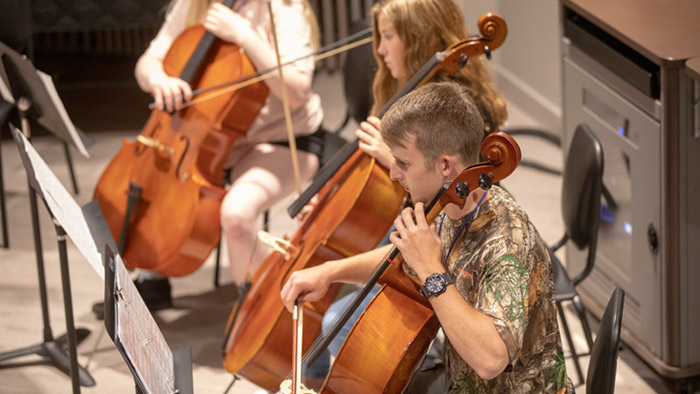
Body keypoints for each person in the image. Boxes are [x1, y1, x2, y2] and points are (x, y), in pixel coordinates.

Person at [282, 82, 574, 393]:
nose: (394, 173)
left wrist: (431, 271)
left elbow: (490, 360)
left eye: (404, 163)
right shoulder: (450, 207)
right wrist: (331, 272)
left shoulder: (508, 240)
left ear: (446, 165)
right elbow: (405, 252)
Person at [293, 0, 508, 387]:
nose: (379, 49)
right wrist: (329, 265)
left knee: (338, 323)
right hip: (420, 228)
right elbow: (411, 239)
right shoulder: (448, 201)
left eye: (388, 37)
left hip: (487, 375)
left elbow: (491, 362)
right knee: (330, 311)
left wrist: (430, 271)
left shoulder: (502, 234)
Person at [95, 0, 326, 316]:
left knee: (236, 214)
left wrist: (246, 36)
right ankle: (151, 277)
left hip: (283, 141)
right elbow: (149, 61)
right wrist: (158, 80)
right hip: (209, 140)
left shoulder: (284, 8)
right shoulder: (195, 4)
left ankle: (264, 313)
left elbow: (297, 92)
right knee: (153, 183)